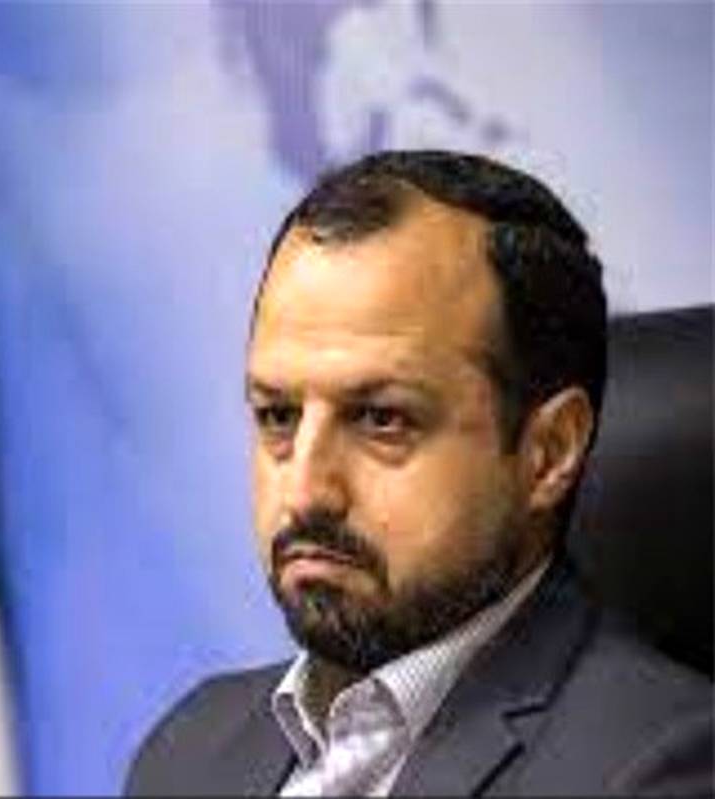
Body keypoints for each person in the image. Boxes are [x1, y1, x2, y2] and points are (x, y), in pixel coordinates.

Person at [124, 150, 713, 796]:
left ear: (548, 452)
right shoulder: (190, 750)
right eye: (278, 416)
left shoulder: (661, 768)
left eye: (382, 419)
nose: (305, 492)